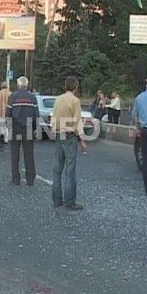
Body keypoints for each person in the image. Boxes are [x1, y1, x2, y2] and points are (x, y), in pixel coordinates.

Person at [50, 76, 87, 210]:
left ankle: (57, 200)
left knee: (57, 169)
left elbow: (53, 117)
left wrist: (54, 130)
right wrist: (82, 140)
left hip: (59, 134)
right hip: (70, 136)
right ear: (76, 87)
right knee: (70, 170)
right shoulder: (75, 101)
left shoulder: (58, 99)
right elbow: (77, 122)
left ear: (65, 86)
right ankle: (70, 202)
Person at [6, 76, 39, 186]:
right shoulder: (32, 98)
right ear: (27, 85)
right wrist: (34, 129)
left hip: (15, 127)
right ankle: (30, 179)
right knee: (29, 154)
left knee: (15, 154)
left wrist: (9, 128)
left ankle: (15, 179)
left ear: (18, 85)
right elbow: (36, 115)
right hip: (28, 127)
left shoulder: (12, 97)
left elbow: (8, 114)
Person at [0, 81, 12, 147]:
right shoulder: (10, 94)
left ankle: (2, 135)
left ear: (1, 86)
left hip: (0, 113)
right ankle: (6, 140)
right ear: (7, 86)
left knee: (1, 125)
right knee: (6, 126)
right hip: (9, 113)